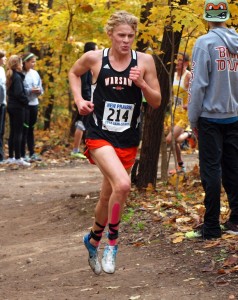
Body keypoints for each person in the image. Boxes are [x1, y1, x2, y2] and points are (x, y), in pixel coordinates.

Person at [68, 10, 161, 275]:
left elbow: (156, 101)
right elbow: (74, 73)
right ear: (110, 34)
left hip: (128, 139)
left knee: (109, 194)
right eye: (121, 35)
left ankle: (93, 239)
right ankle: (112, 243)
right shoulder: (95, 58)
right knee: (123, 184)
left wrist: (142, 83)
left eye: (131, 36)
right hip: (99, 134)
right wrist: (79, 100)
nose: (126, 40)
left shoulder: (144, 61)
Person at [187, 0, 238, 239]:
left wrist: (192, 118)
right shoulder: (236, 42)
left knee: (211, 171)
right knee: (233, 168)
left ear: (207, 18)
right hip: (234, 116)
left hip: (209, 117)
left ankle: (211, 227)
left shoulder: (204, 43)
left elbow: (198, 84)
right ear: (226, 16)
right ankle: (236, 221)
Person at [166, 52, 195, 174]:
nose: (178, 62)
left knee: (169, 139)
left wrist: (189, 103)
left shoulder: (189, 76)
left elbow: (195, 92)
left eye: (181, 60)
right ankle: (180, 166)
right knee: (174, 141)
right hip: (174, 112)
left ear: (186, 63)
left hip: (184, 113)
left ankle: (189, 133)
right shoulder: (173, 75)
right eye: (177, 60)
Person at [71, 42, 98, 159]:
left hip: (83, 98)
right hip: (84, 99)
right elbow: (85, 85)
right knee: (81, 124)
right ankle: (75, 150)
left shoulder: (84, 64)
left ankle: (85, 149)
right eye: (96, 50)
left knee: (83, 124)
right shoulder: (85, 66)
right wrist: (86, 99)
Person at [6, 55, 31, 166]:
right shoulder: (17, 77)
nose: (22, 65)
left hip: (11, 106)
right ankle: (18, 157)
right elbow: (19, 93)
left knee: (13, 132)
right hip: (18, 107)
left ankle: (11, 156)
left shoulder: (12, 76)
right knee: (18, 132)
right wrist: (26, 101)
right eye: (21, 63)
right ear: (17, 65)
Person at [21, 52, 43, 162]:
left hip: (34, 103)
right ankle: (22, 154)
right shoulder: (21, 74)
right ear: (25, 62)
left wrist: (39, 91)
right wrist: (30, 90)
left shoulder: (35, 73)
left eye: (35, 61)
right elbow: (19, 90)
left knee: (31, 129)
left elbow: (41, 87)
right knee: (24, 129)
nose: (34, 64)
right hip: (25, 105)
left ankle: (32, 153)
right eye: (32, 62)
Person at [0, 50, 7, 162]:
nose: (5, 59)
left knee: (1, 130)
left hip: (3, 103)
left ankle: (1, 155)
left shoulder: (2, 70)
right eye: (4, 57)